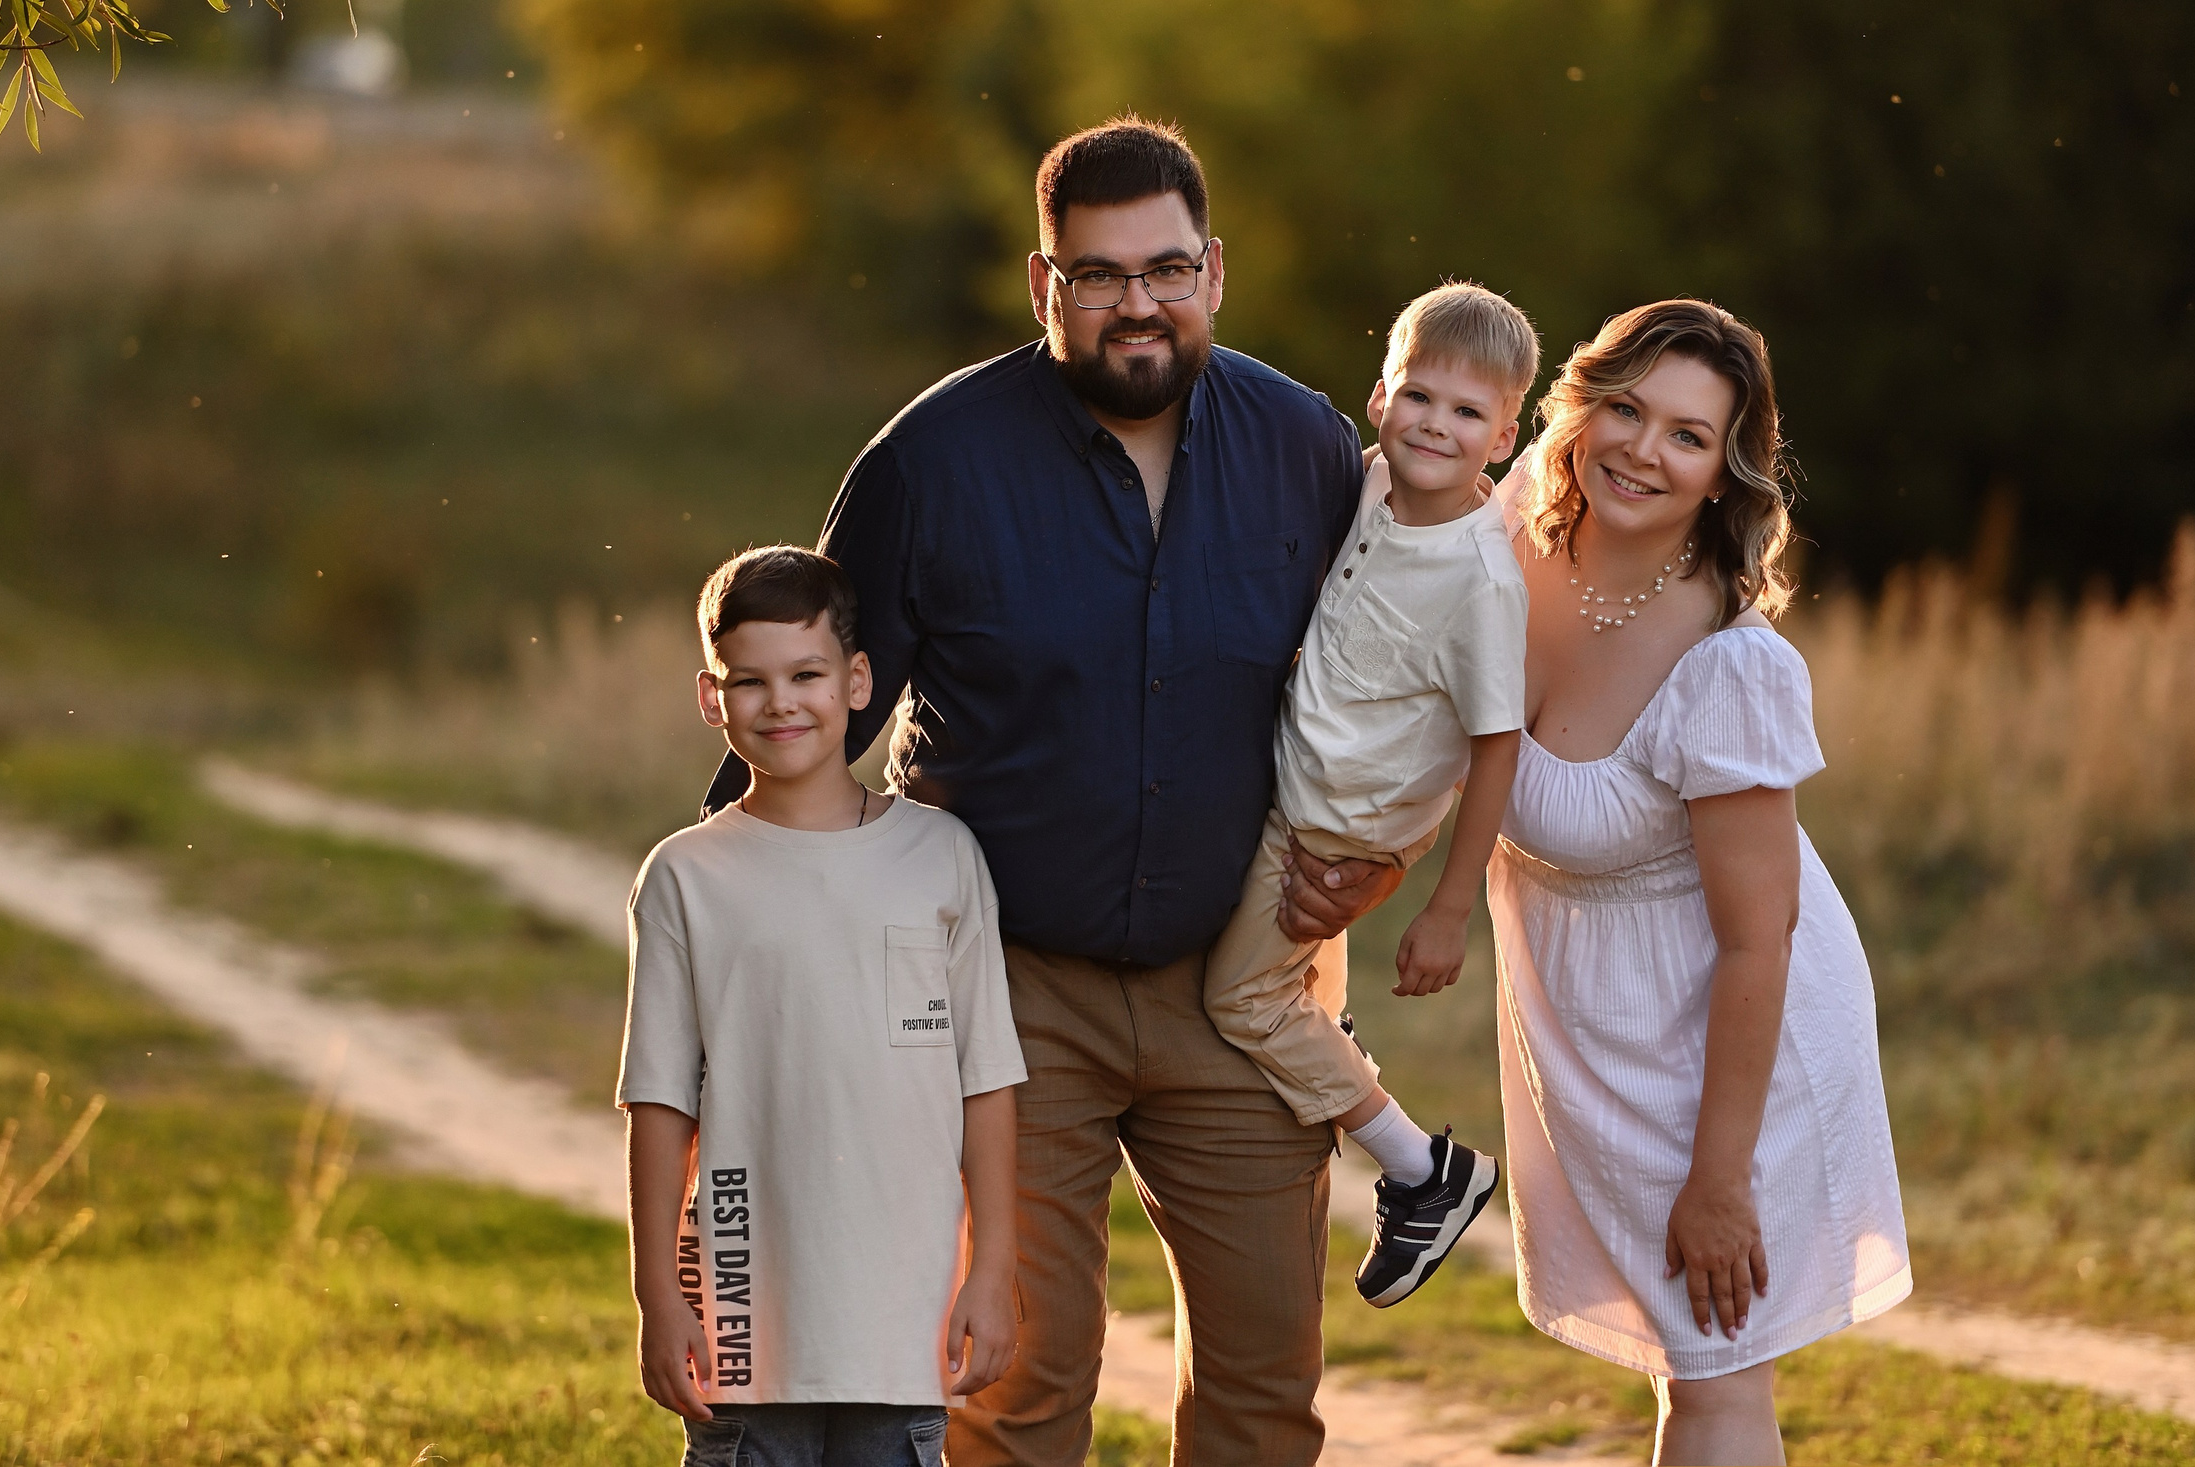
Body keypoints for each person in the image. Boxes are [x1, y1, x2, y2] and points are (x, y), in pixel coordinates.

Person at [705, 116, 1409, 1466]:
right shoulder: (933, 462)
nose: (1136, 301)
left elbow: (1401, 691)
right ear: (1046, 287)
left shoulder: (1308, 451)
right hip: (1001, 991)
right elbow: (802, 721)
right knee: (1017, 1383)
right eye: (1098, 274)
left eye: (1166, 266)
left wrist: (1380, 858)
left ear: (1216, 270)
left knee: (1267, 1399)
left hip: (1245, 996)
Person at [1488, 300, 1909, 1465]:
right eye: (1624, 408)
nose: (1640, 449)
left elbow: (1756, 940)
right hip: (1585, 1030)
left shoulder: (1730, 666)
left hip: (1726, 1043)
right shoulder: (1502, 530)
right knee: (1689, 1360)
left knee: (1716, 1369)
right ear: (1576, 409)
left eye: (1686, 436)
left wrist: (1717, 1180)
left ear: (1725, 477)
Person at [620, 546, 1026, 1467]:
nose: (781, 702)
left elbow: (987, 1081)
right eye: (750, 681)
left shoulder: (943, 856)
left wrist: (994, 1265)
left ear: (857, 680)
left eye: (806, 674)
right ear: (710, 697)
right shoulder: (684, 875)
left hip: (905, 1313)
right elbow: (659, 1100)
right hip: (743, 1315)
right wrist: (659, 1293)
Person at [1202, 281, 1534, 1307]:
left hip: (1341, 830)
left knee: (1236, 997)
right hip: (1292, 785)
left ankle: (1421, 1171)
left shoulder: (1481, 579)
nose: (1438, 424)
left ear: (1505, 435)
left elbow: (1497, 750)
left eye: (1468, 412)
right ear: (1378, 394)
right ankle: (1323, 1028)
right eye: (1420, 396)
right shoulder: (1362, 483)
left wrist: (1446, 907)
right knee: (1261, 982)